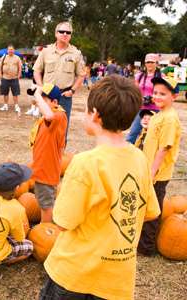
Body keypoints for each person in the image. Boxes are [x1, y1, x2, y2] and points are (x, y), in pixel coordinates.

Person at [39, 75, 160, 300]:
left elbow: (64, 222)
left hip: (73, 276)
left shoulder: (84, 163)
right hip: (116, 279)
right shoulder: (140, 159)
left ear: (94, 115)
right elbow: (149, 212)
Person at [138, 76, 181, 257]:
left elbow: (164, 149)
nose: (157, 96)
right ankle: (142, 241)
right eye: (155, 92)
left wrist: (151, 172)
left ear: (175, 96)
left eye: (163, 94)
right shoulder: (159, 115)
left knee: (153, 210)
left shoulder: (170, 119)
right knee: (145, 206)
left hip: (157, 173)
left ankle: (147, 247)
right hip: (149, 169)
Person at [33, 21, 85, 141]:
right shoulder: (45, 51)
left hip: (64, 96)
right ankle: (44, 155)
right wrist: (41, 87)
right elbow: (36, 71)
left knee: (62, 130)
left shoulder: (76, 54)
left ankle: (59, 157)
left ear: (71, 35)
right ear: (56, 34)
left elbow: (81, 75)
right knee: (44, 126)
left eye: (68, 32)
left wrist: (72, 91)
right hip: (47, 96)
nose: (65, 34)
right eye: (62, 31)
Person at [29, 83, 67, 223]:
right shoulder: (47, 117)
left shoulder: (59, 116)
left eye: (43, 100)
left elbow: (49, 115)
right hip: (41, 169)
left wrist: (37, 94)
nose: (39, 103)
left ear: (55, 102)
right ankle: (44, 224)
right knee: (42, 200)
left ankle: (46, 228)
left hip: (47, 171)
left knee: (46, 205)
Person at [126, 53, 162, 144]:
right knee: (133, 133)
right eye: (147, 62)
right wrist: (139, 98)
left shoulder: (161, 77)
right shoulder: (139, 76)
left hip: (156, 109)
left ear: (156, 63)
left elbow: (164, 92)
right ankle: (126, 153)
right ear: (145, 63)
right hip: (141, 108)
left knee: (152, 135)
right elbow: (135, 90)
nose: (149, 64)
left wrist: (155, 98)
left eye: (152, 62)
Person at [0, 45, 22, 113]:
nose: (10, 51)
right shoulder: (3, 57)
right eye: (9, 49)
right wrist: (0, 75)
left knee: (15, 93)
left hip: (14, 78)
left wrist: (19, 75)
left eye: (12, 49)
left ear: (14, 50)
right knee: (5, 93)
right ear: (7, 50)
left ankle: (16, 106)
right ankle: (5, 105)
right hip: (5, 78)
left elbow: (19, 67)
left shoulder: (17, 58)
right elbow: (0, 67)